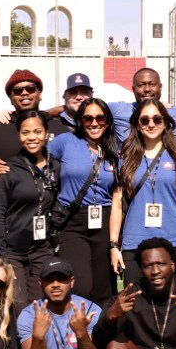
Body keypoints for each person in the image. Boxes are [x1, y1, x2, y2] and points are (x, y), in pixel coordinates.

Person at [109, 100, 176, 278]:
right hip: (134, 242)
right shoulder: (125, 158)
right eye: (145, 120)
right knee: (135, 301)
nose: (151, 124)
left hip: (174, 240)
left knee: (169, 303)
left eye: (157, 119)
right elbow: (117, 205)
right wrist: (114, 246)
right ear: (137, 123)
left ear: (166, 122)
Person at [47, 96, 120, 304]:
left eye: (100, 118)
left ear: (107, 120)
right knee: (81, 286)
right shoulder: (64, 142)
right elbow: (35, 159)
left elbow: (117, 197)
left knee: (103, 288)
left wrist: (114, 241)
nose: (94, 123)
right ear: (80, 121)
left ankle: (100, 335)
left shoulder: (114, 148)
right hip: (72, 221)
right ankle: (77, 333)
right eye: (88, 119)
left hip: (103, 220)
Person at [0, 110, 60, 305]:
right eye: (25, 132)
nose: (32, 137)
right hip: (12, 252)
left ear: (46, 134)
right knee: (18, 305)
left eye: (37, 131)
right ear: (19, 135)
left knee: (41, 305)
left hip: (42, 249)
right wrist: (1, 257)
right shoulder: (6, 168)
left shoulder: (55, 167)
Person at [0, 69, 67, 160]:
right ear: (11, 99)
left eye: (30, 88)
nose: (24, 93)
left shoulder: (61, 130)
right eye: (17, 90)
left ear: (40, 95)